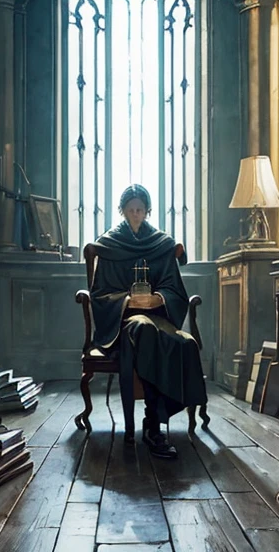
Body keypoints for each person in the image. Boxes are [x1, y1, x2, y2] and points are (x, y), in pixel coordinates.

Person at [88, 184, 208, 459]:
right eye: (130, 210)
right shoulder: (110, 244)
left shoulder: (160, 243)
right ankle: (153, 426)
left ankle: (157, 418)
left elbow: (173, 287)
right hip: (125, 322)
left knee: (185, 342)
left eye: (140, 210)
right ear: (122, 211)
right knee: (143, 329)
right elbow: (100, 293)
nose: (135, 214)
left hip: (157, 315)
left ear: (147, 211)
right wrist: (127, 302)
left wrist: (159, 299)